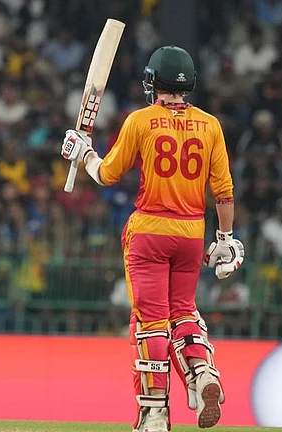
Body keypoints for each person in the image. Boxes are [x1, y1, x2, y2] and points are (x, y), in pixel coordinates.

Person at [61, 46, 244, 432]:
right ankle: (201, 372)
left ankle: (155, 413)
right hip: (193, 232)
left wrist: (83, 153)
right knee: (183, 312)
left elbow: (108, 174)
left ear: (153, 82)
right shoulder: (211, 125)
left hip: (149, 230)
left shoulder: (141, 121)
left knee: (149, 323)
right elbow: (224, 190)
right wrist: (225, 237)